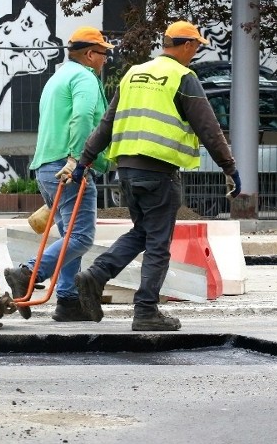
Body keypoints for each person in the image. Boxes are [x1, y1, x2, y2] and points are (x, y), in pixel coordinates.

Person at [61, 21, 241, 331]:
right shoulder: (183, 77)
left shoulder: (133, 74)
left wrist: (83, 162)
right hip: (159, 172)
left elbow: (106, 125)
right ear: (186, 46)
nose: (196, 53)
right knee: (158, 242)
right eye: (196, 47)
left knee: (142, 232)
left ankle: (95, 275)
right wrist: (230, 167)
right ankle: (145, 310)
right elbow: (208, 128)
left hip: (128, 171)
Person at [4, 27, 114, 322]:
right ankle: (28, 273)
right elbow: (82, 119)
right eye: (103, 54)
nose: (105, 60)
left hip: (46, 167)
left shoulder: (57, 77)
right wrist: (78, 160)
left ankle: (67, 301)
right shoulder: (84, 78)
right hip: (69, 167)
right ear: (90, 54)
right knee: (81, 237)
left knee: (68, 237)